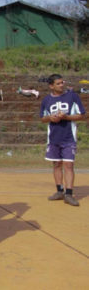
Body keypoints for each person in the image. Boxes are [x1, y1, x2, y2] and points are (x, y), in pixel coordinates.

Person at [40, 74, 86, 207]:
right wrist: (51, 118)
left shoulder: (72, 96)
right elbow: (42, 118)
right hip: (54, 138)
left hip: (68, 137)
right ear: (51, 86)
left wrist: (66, 117)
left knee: (69, 165)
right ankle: (59, 191)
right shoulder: (46, 100)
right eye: (58, 83)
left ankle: (69, 194)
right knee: (56, 164)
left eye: (62, 83)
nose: (62, 85)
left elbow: (81, 115)